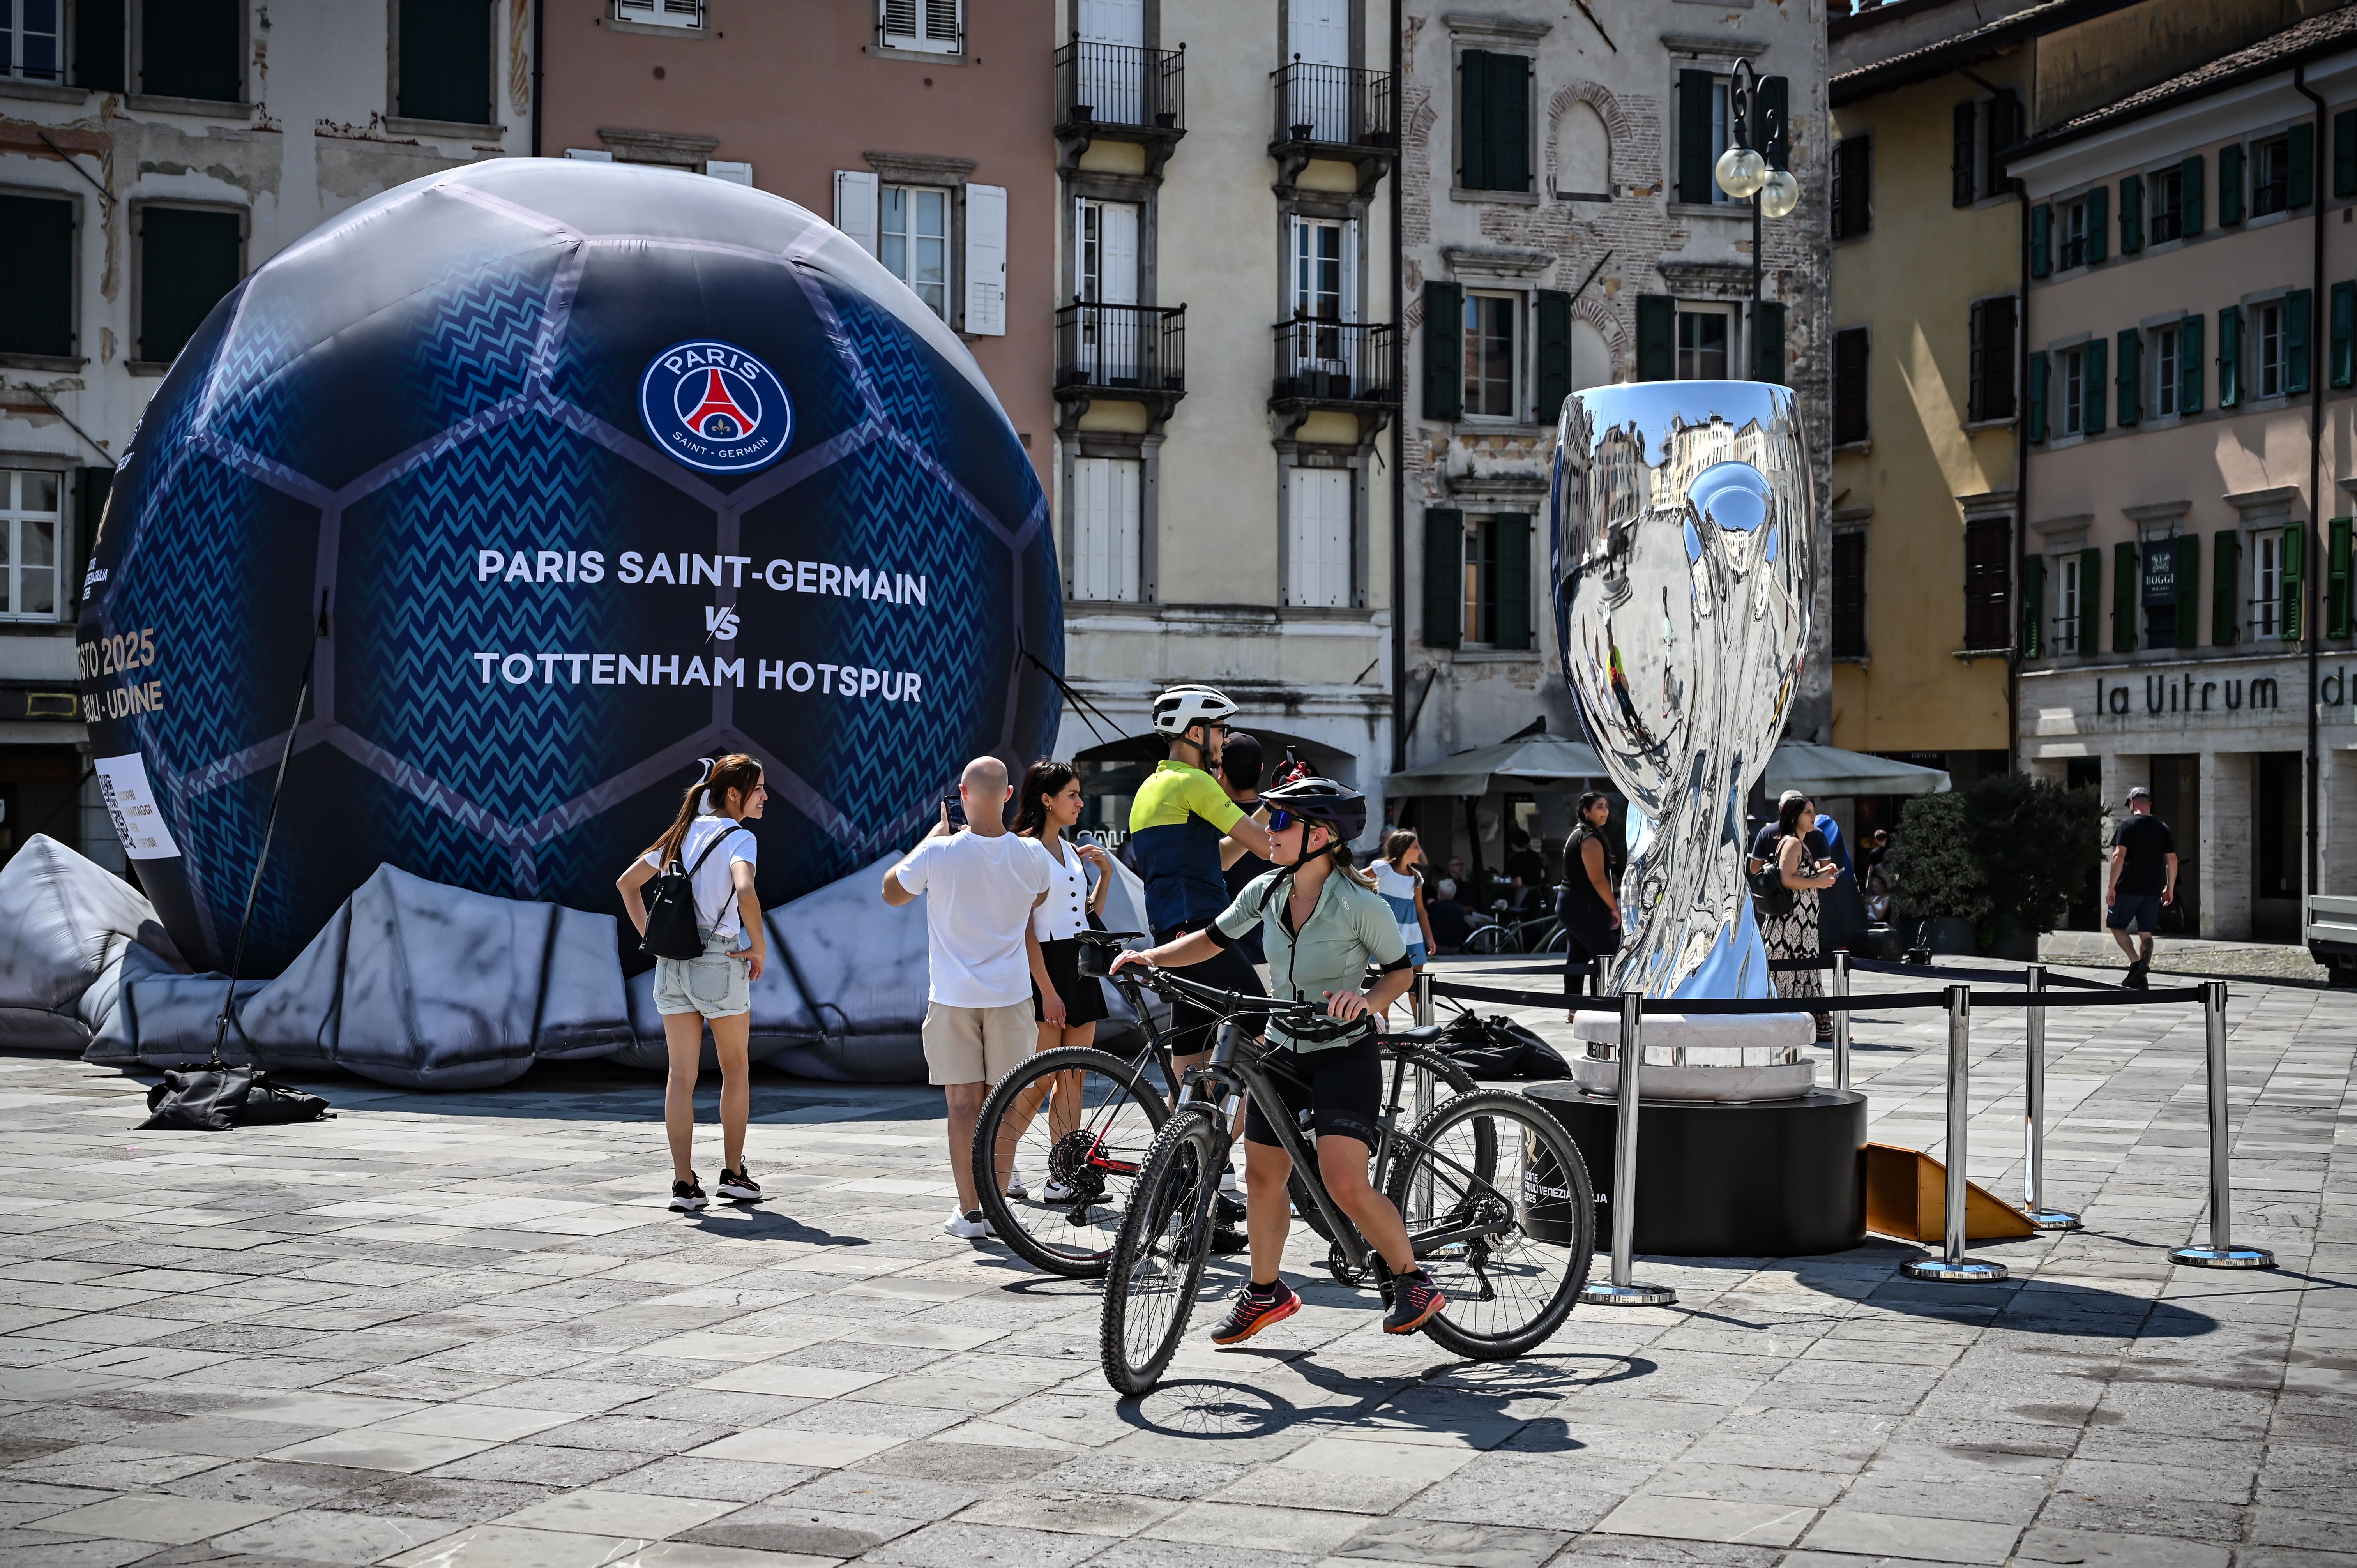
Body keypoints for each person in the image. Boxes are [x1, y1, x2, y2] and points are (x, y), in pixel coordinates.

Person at [1110, 775, 1447, 1343]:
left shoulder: (1357, 903)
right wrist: (1151, 957)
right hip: (1282, 1048)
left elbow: (1400, 971)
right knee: (1264, 1176)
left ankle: (1413, 1278)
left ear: (1320, 835)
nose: (1269, 830)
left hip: (1343, 1052)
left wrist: (1366, 1002)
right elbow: (1212, 940)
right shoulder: (1265, 891)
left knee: (1343, 1181)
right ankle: (1266, 1292)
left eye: (1283, 822)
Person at [882, 756, 1054, 1238]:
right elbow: (1038, 899)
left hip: (954, 997)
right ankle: (999, 1210)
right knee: (1006, 1103)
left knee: (962, 1105)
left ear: (961, 792)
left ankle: (970, 1212)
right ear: (1009, 794)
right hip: (1012, 995)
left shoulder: (939, 853)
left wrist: (931, 840)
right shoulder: (1033, 855)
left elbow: (891, 892)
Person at [617, 755, 770, 1212]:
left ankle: (684, 1185)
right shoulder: (740, 837)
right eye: (759, 789)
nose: (765, 797)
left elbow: (627, 884)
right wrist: (758, 946)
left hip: (672, 961)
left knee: (680, 1076)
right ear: (734, 794)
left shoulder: (681, 833)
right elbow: (745, 890)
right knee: (736, 1069)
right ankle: (735, 1176)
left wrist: (650, 935)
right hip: (718, 960)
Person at [1128, 685, 1276, 1121]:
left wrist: (1265, 808)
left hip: (1172, 932)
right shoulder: (1197, 782)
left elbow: (1221, 858)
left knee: (1189, 1056)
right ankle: (1214, 1135)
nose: (1224, 741)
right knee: (1262, 1019)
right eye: (1220, 730)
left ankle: (1183, 1159)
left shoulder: (1152, 788)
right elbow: (1268, 849)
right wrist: (1292, 801)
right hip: (1202, 928)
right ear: (1196, 731)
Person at [1007, 759, 1111, 1199]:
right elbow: (1023, 926)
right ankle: (999, 1162)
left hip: (1079, 963)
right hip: (1043, 967)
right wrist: (1047, 990)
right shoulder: (1022, 847)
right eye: (1071, 794)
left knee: (1075, 1076)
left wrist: (1105, 875)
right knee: (1039, 1078)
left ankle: (1063, 1174)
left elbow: (1088, 915)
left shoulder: (1069, 849)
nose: (1080, 802)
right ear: (1046, 799)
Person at [1757, 793, 1840, 1041]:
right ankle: (1813, 1028)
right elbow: (1787, 879)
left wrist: (1823, 872)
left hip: (1801, 924)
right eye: (1808, 813)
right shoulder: (1792, 842)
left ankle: (1815, 1028)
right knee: (1794, 974)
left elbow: (1801, 873)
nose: (1814, 817)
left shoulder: (1799, 842)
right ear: (1794, 817)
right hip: (1791, 925)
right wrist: (1819, 882)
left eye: (1813, 812)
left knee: (1803, 975)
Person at [2107, 785, 2178, 990]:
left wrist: (2111, 887)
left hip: (2128, 887)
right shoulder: (2163, 828)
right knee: (2146, 933)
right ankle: (2141, 976)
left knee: (2116, 925)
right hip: (2153, 890)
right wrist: (2170, 888)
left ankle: (2137, 964)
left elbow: (2118, 856)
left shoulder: (2128, 826)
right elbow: (2173, 860)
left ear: (2131, 803)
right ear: (2149, 803)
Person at [1557, 791, 1621, 1007]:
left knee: (1578, 956)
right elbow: (1598, 880)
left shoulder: (1580, 834)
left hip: (1572, 904)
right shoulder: (1589, 839)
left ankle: (1574, 1008)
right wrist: (1615, 908)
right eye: (1600, 807)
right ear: (1586, 812)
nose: (1605, 811)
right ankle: (1600, 1006)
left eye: (1606, 806)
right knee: (1607, 956)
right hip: (1582, 906)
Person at [1218, 731, 1272, 965]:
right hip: (1278, 950)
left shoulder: (1208, 820)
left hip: (1223, 949)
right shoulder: (1284, 817)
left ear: (1220, 772)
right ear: (1261, 769)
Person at [1372, 830, 1437, 1019]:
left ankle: (1422, 1026)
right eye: (1416, 847)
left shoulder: (1416, 878)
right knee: (1386, 983)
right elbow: (1356, 880)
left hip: (1413, 935)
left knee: (1418, 984)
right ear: (1403, 849)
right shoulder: (1382, 869)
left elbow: (1420, 910)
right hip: (1388, 935)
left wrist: (1429, 937)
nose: (1420, 851)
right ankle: (1383, 1030)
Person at [1504, 828, 1548, 912]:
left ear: (1513, 844)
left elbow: (1519, 883)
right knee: (1534, 921)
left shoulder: (1515, 859)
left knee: (1520, 919)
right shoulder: (1535, 855)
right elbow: (1542, 875)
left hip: (1524, 894)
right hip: (1537, 894)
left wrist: (1507, 886)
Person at [1426, 877, 1473, 953]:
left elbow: (1426, 916)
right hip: (1456, 948)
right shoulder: (1460, 908)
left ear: (1441, 894)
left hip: (1438, 946)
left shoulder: (1435, 905)